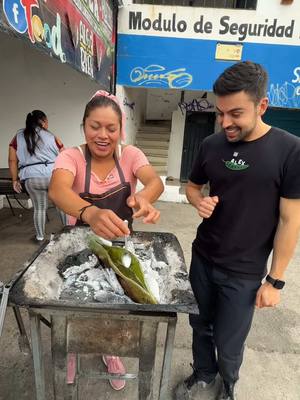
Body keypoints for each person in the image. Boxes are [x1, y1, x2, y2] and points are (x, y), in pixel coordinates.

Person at [175, 61, 300, 400]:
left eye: (236, 114)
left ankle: (228, 383)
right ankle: (203, 373)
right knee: (199, 325)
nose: (225, 122)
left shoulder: (290, 150)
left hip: (244, 271)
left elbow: (291, 220)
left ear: (262, 106)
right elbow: (192, 186)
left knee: (229, 339)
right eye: (220, 113)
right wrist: (197, 201)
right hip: (203, 257)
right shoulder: (212, 145)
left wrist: (275, 281)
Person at [48, 90, 164, 390]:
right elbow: (58, 190)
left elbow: (154, 182)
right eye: (94, 127)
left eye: (111, 128)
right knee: (77, 301)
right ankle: (73, 348)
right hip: (80, 247)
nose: (102, 135)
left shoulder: (131, 156)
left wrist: (143, 198)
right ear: (84, 125)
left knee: (114, 303)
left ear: (120, 129)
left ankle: (110, 350)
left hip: (119, 246)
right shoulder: (71, 156)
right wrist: (90, 212)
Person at [8, 110, 65, 242]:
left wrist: (15, 180)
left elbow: (12, 160)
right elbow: (64, 155)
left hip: (31, 178)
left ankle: (40, 237)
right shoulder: (51, 136)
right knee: (61, 205)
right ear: (43, 122)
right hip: (53, 176)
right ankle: (67, 232)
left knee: (39, 208)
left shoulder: (17, 137)